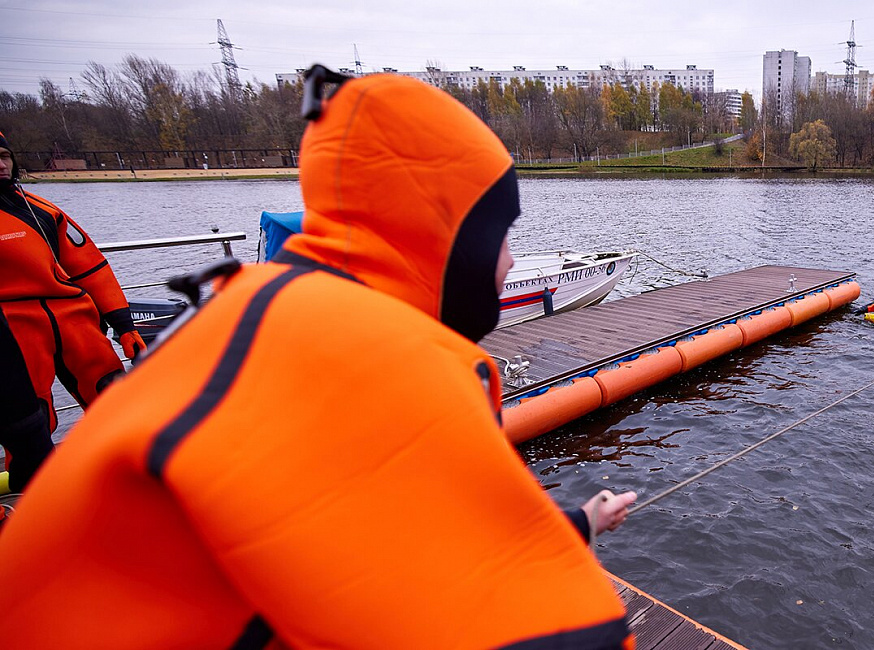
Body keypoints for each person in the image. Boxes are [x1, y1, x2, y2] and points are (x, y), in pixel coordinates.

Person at [0, 69, 635, 649]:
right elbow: (537, 629)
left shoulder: (266, 310)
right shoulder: (388, 359)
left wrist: (576, 521)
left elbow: (397, 530)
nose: (513, 262)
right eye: (501, 235)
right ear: (452, 237)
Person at [0, 130, 145, 492]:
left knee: (116, 397)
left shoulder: (42, 210)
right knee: (30, 422)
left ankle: (136, 478)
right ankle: (32, 502)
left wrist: (123, 324)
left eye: (4, 156)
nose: (0, 165)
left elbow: (90, 266)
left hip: (73, 317)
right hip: (15, 329)